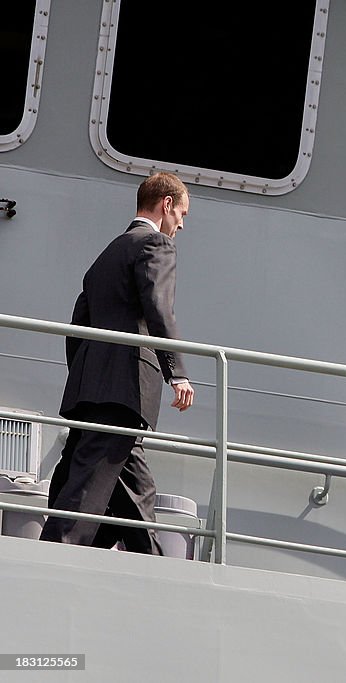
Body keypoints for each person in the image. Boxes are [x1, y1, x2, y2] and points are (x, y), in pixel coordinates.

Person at [40, 172, 195, 554]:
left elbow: (79, 324)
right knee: (89, 483)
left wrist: (83, 377)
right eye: (183, 215)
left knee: (136, 490)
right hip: (124, 386)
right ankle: (52, 554)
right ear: (167, 205)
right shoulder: (155, 244)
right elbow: (160, 308)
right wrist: (177, 374)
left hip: (92, 386)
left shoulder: (108, 252)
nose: (181, 225)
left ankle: (152, 565)